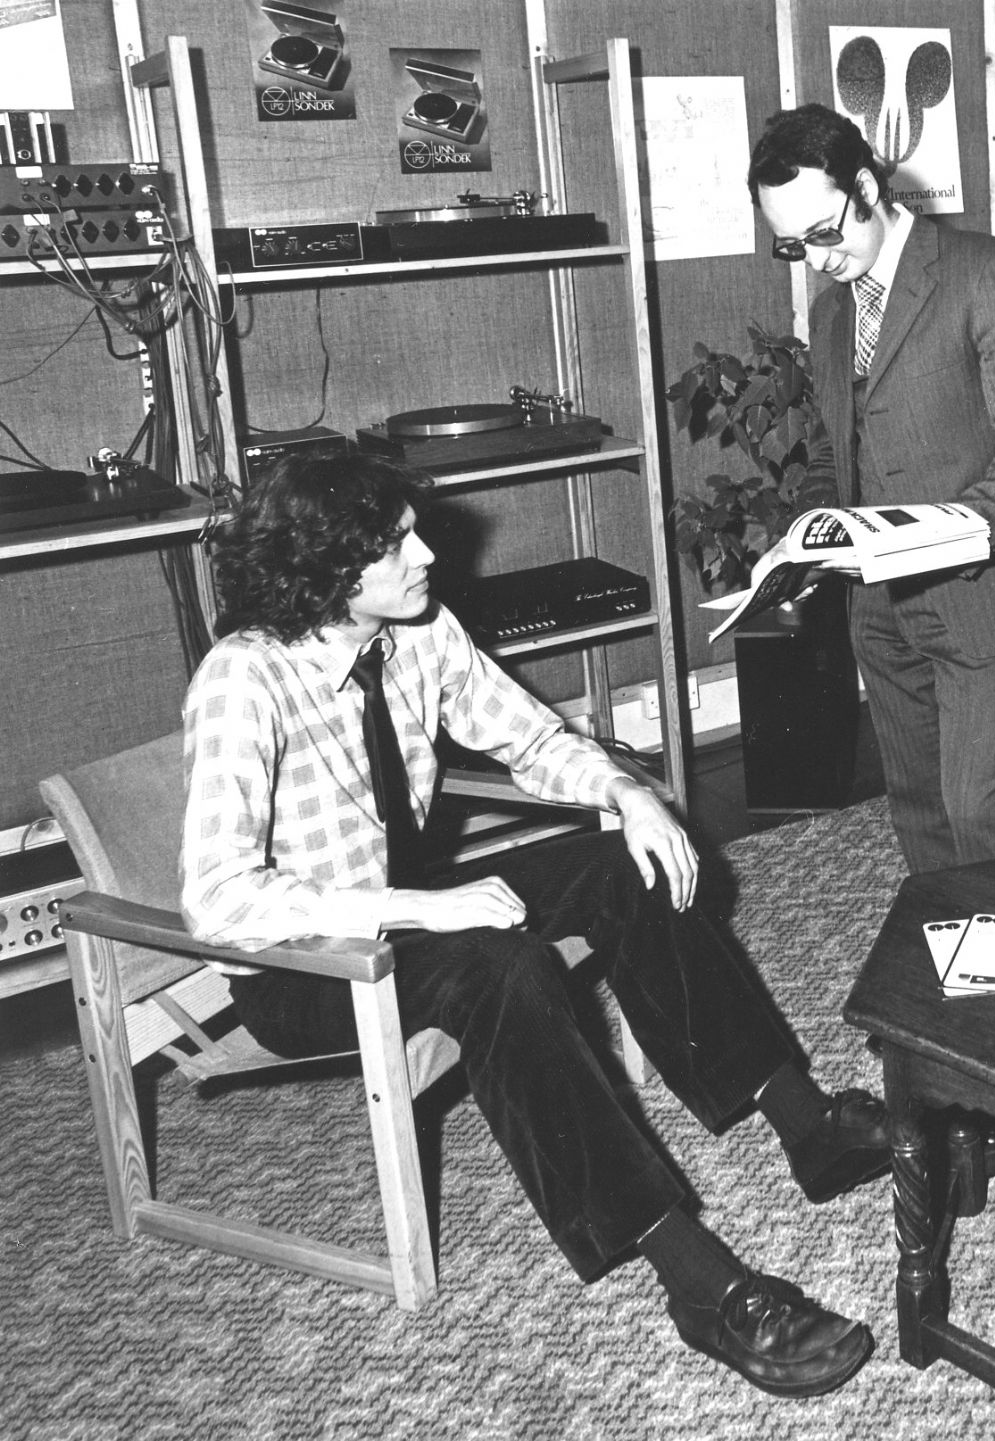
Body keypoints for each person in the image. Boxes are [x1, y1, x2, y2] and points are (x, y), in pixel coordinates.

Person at [180, 452, 885, 1398]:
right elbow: (219, 897)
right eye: (397, 544)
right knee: (497, 964)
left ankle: (808, 1125)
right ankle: (700, 1283)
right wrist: (419, 907)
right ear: (328, 569)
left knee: (613, 863)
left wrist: (627, 796)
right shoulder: (245, 677)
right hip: (304, 964)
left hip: (405, 901)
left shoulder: (417, 627)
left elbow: (532, 736)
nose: (429, 552)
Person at [749, 103, 995, 875]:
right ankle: (956, 960)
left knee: (980, 810)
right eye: (791, 243)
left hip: (984, 593)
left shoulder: (986, 271)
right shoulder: (834, 314)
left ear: (866, 187)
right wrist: (806, 532)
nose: (814, 258)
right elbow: (841, 454)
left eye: (825, 232)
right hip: (881, 609)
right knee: (920, 807)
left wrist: (946, 529)